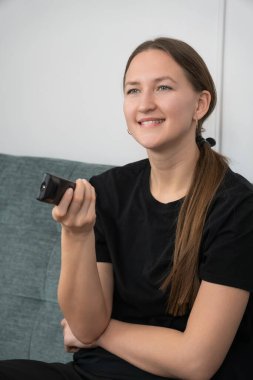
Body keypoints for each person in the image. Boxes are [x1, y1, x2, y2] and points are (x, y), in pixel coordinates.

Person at [0, 37, 253, 380]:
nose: (145, 103)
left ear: (200, 104)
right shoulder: (107, 190)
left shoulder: (238, 207)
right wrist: (76, 233)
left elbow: (196, 362)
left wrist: (100, 334)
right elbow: (85, 322)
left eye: (163, 87)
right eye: (133, 90)